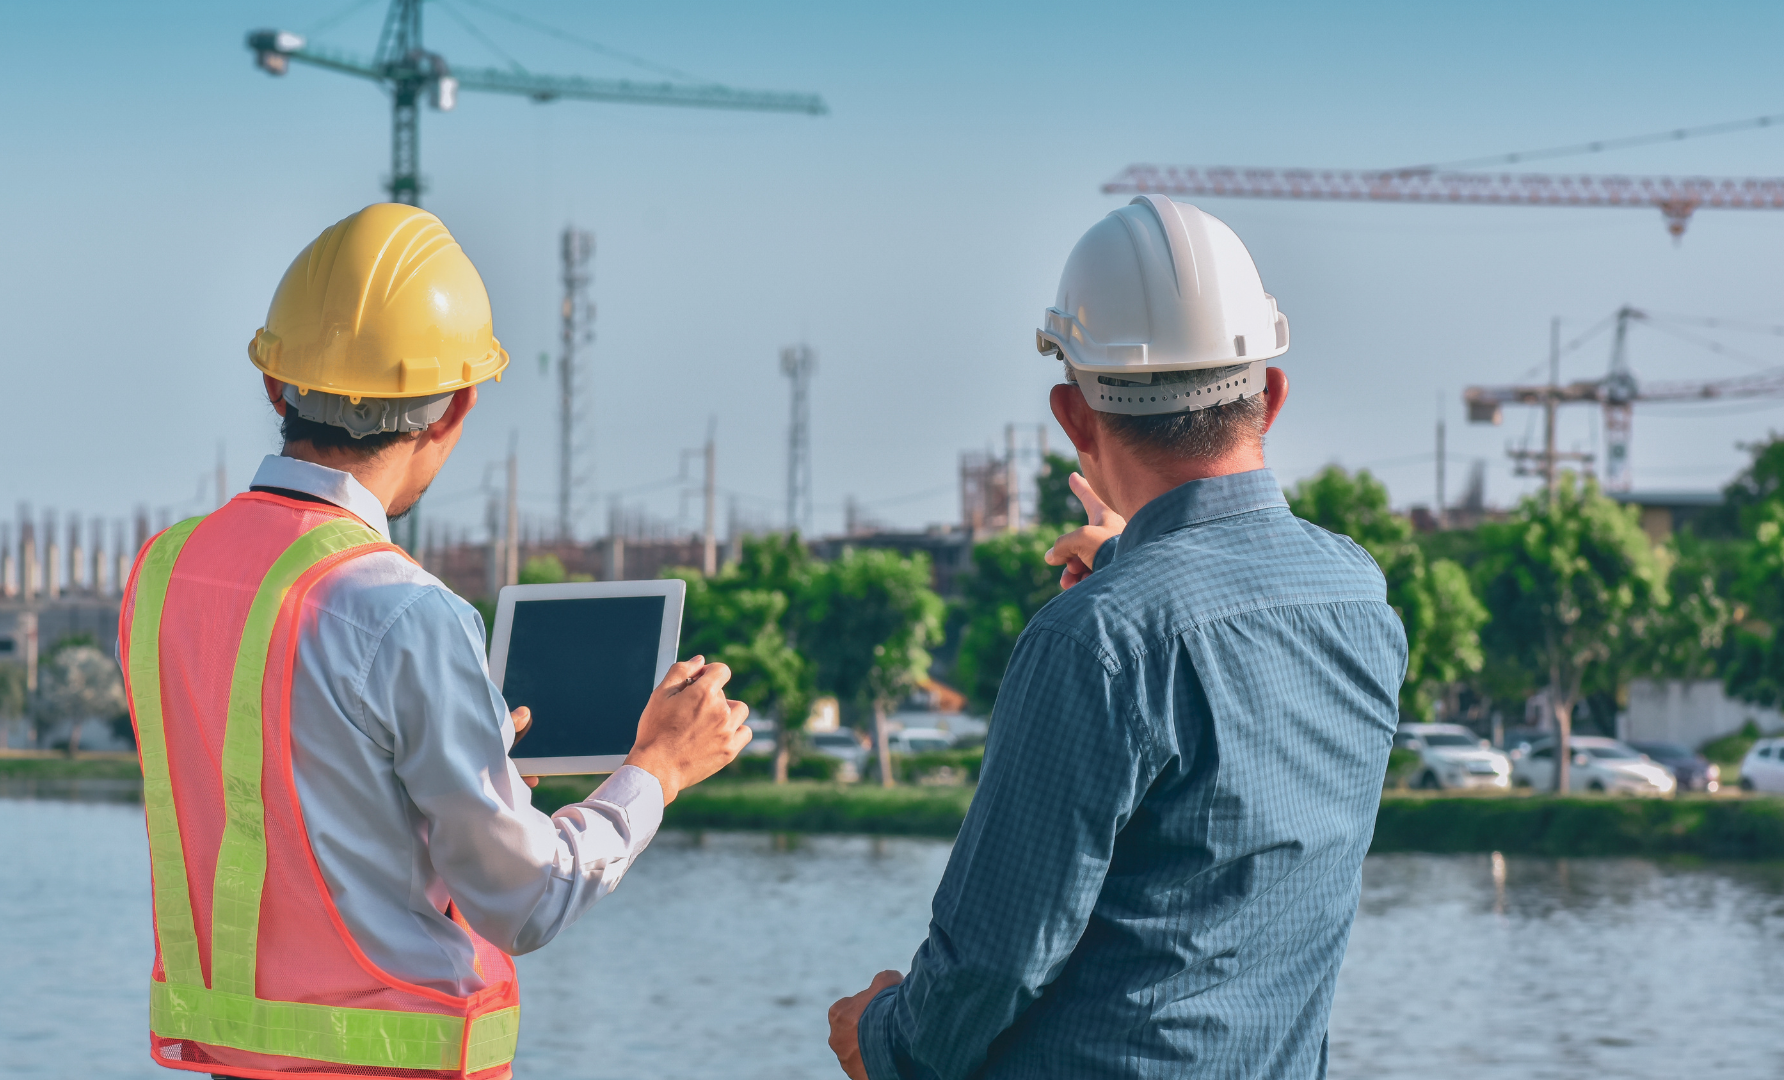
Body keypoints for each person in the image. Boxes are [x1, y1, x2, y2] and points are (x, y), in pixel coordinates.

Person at [120, 203, 751, 1079]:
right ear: (455, 408)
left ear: (275, 385)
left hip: (234, 1060)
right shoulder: (403, 612)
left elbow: (282, 803)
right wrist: (658, 771)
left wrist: (452, 761)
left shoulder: (165, 572)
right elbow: (526, 901)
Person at [827, 196, 1406, 1079]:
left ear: (1074, 416)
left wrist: (881, 1041)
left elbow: (991, 962)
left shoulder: (1093, 643)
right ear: (1272, 395)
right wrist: (1140, 567)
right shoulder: (1357, 596)